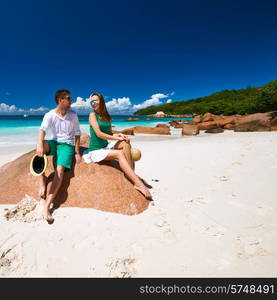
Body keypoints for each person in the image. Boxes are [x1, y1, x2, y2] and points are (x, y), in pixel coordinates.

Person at [82, 92, 152, 200]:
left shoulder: (107, 117)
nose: (93, 103)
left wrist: (120, 135)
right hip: (96, 150)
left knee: (125, 142)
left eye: (95, 101)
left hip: (106, 146)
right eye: (91, 102)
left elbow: (109, 133)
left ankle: (131, 173)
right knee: (119, 154)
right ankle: (137, 183)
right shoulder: (92, 115)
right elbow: (99, 134)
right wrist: (116, 138)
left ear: (101, 102)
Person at [36, 89, 82, 223]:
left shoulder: (73, 115)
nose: (71, 100)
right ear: (60, 100)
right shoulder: (50, 115)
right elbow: (42, 131)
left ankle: (46, 207)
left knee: (60, 170)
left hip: (67, 145)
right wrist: (40, 145)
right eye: (68, 98)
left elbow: (77, 134)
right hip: (55, 142)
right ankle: (42, 180)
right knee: (40, 147)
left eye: (70, 98)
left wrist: (77, 152)